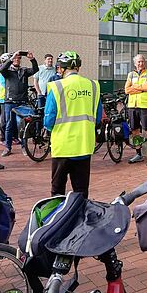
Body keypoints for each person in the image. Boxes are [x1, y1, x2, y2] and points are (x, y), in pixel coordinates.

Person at [44, 51, 102, 198]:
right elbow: (98, 116)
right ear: (78, 68)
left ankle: (56, 220)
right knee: (81, 192)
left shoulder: (56, 87)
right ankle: (81, 219)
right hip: (84, 145)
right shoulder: (93, 86)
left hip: (62, 146)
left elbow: (48, 120)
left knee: (57, 192)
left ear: (62, 69)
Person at [0, 50, 39, 156]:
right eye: (15, 58)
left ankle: (24, 147)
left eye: (18, 58)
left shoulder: (24, 71)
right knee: (9, 125)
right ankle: (8, 148)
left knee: (22, 125)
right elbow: (2, 69)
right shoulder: (7, 71)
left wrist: (32, 59)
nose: (17, 60)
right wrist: (11, 58)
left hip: (22, 102)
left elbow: (35, 69)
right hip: (10, 102)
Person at [124, 54, 147, 166]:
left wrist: (134, 88)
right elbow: (126, 90)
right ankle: (138, 153)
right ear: (135, 63)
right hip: (132, 106)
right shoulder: (131, 74)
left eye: (142, 61)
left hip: (145, 106)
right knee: (135, 131)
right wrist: (140, 89)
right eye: (138, 62)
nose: (141, 64)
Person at [0, 52, 12, 143]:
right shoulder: (2, 73)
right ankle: (3, 137)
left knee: (6, 119)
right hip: (3, 98)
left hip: (4, 98)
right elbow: (4, 85)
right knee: (4, 120)